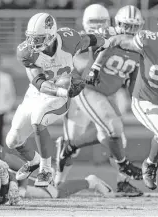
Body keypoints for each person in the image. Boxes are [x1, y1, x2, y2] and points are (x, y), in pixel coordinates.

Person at [5, 12, 110, 187]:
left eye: (39, 38)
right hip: (40, 92)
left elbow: (94, 40)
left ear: (51, 35)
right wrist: (63, 90)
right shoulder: (26, 52)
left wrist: (100, 56)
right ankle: (34, 162)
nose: (34, 43)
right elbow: (38, 82)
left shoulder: (69, 41)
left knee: (38, 119)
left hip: (61, 97)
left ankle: (46, 169)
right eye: (32, 38)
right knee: (12, 141)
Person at [54, 4, 144, 197]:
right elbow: (77, 47)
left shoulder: (136, 46)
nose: (130, 30)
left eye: (134, 26)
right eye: (126, 26)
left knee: (114, 137)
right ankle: (56, 182)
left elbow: (133, 76)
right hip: (87, 89)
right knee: (112, 130)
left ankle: (122, 181)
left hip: (106, 94)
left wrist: (136, 99)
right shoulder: (104, 37)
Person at [90, 17, 158, 191]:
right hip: (146, 101)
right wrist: (96, 65)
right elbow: (118, 41)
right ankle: (149, 166)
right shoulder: (147, 40)